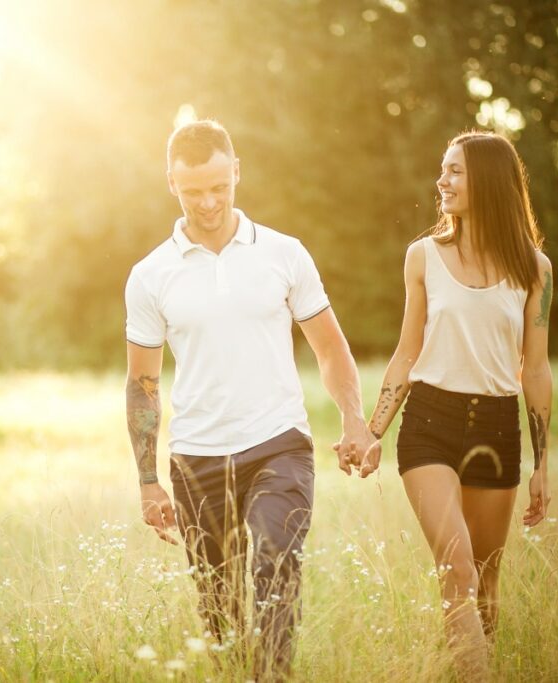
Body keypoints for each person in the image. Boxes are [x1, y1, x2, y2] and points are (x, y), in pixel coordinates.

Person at [124, 119, 379, 680]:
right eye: (194, 191)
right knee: (220, 615)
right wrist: (148, 480)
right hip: (196, 458)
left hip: (278, 444)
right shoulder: (150, 275)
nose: (209, 202)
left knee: (275, 563)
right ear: (172, 182)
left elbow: (331, 349)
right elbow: (142, 384)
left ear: (237, 171)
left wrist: (355, 421)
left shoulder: (284, 255)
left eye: (220, 186)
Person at [361, 131, 553, 680]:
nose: (440, 182)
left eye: (454, 172)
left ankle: (464, 664)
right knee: (458, 568)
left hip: (497, 428)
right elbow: (406, 351)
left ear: (488, 182)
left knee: (488, 579)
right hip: (429, 424)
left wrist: (542, 463)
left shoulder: (534, 269)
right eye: (442, 170)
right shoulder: (422, 257)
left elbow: (535, 368)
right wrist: (374, 432)